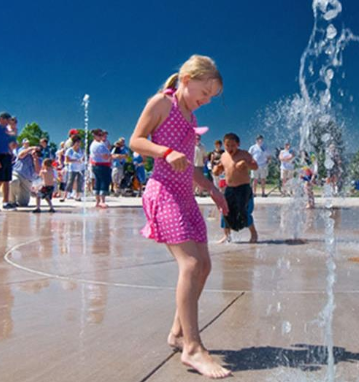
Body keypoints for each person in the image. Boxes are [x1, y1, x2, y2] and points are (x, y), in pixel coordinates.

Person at [128, 54, 231, 379]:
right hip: (162, 192)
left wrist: (212, 190)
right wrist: (164, 151)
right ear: (187, 79)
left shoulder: (188, 115)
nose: (205, 100)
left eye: (211, 98)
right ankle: (193, 347)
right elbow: (136, 140)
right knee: (190, 264)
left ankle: (176, 333)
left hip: (185, 195)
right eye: (204, 93)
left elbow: (188, 164)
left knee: (205, 265)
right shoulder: (162, 103)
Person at [214, 133, 259, 244]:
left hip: (243, 188)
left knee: (243, 211)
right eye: (227, 145)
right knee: (225, 211)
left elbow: (255, 166)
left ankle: (253, 233)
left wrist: (246, 163)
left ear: (238, 144)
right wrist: (217, 169)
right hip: (229, 188)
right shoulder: (224, 156)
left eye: (233, 145)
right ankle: (227, 236)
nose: (230, 148)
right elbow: (219, 170)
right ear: (224, 145)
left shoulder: (244, 154)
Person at [89, 130, 113, 208]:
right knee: (104, 182)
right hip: (102, 165)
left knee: (98, 182)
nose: (101, 137)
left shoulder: (93, 144)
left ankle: (97, 201)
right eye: (99, 135)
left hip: (96, 165)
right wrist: (115, 156)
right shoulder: (99, 145)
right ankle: (102, 201)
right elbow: (105, 156)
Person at [62, 136, 86, 202]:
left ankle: (78, 196)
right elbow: (67, 160)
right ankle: (64, 196)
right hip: (72, 168)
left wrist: (82, 160)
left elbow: (84, 158)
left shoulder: (81, 150)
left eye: (79, 142)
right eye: (77, 142)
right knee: (70, 182)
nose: (78, 144)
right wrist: (76, 160)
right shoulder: (70, 150)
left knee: (80, 182)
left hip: (81, 168)